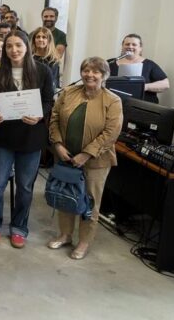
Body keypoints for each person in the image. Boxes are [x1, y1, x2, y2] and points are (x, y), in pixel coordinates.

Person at [0, 31, 54, 248]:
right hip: (4, 136)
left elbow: (49, 100)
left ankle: (19, 227)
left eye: (18, 45)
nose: (14, 50)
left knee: (25, 186)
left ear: (27, 46)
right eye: (9, 46)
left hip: (31, 137)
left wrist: (40, 114)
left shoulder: (43, 71)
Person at [48, 57, 123, 259]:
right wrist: (57, 144)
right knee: (65, 196)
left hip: (96, 161)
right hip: (65, 156)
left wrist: (86, 153)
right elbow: (54, 119)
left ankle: (83, 242)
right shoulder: (68, 93)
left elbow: (111, 132)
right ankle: (65, 235)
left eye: (96, 71)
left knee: (89, 202)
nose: (90, 75)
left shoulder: (113, 101)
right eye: (86, 70)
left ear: (104, 76)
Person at [109, 34, 169, 104]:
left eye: (134, 44)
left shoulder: (149, 64)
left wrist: (144, 86)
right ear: (122, 47)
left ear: (140, 48)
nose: (130, 46)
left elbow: (165, 84)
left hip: (142, 107)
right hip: (115, 105)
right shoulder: (111, 63)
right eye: (127, 44)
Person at [31, 26, 61, 90]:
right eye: (38, 37)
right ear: (34, 40)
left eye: (44, 37)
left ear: (49, 41)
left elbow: (53, 80)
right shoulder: (29, 58)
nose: (40, 39)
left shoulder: (53, 60)